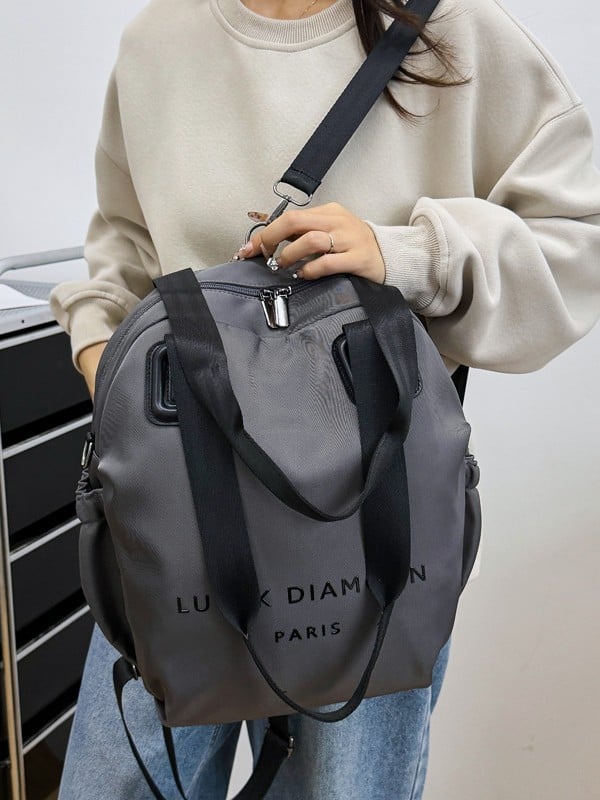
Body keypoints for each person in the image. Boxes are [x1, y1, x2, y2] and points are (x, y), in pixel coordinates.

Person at [49, 0, 600, 797]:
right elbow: (124, 251)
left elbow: (579, 239)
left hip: (376, 520)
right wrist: (104, 361)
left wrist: (406, 254)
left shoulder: (456, 31)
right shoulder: (159, 40)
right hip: (178, 506)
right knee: (117, 781)